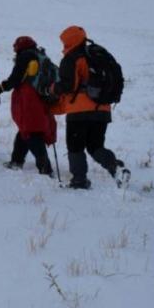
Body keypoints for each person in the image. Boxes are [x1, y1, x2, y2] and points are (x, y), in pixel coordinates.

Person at [55, 26, 124, 189]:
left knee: (75, 146)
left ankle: (79, 180)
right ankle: (116, 167)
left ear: (69, 40)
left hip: (78, 111)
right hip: (103, 109)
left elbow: (68, 86)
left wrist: (53, 88)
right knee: (95, 146)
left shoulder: (72, 58)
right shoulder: (98, 55)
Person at [0, 36, 55, 175]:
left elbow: (15, 78)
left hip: (28, 98)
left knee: (31, 132)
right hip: (39, 97)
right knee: (25, 130)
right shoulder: (40, 55)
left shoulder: (25, 56)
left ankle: (46, 168)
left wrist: (1, 87)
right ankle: (17, 161)